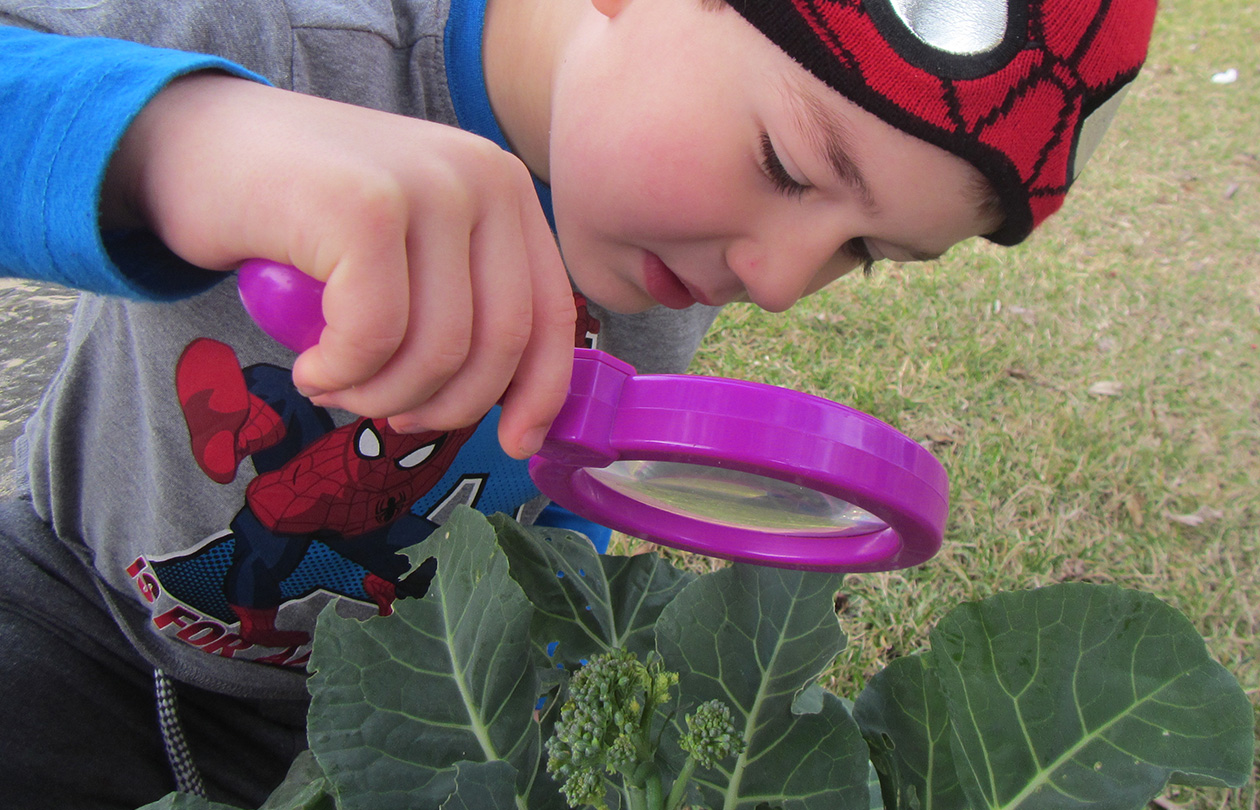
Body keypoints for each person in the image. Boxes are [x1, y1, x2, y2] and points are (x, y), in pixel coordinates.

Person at [0, 0, 1157, 806]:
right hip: (84, 630)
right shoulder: (291, 34)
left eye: (863, 251)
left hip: (453, 731)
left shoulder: (672, 227)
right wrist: (184, 136)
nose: (781, 280)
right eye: (790, 166)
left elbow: (571, 492)